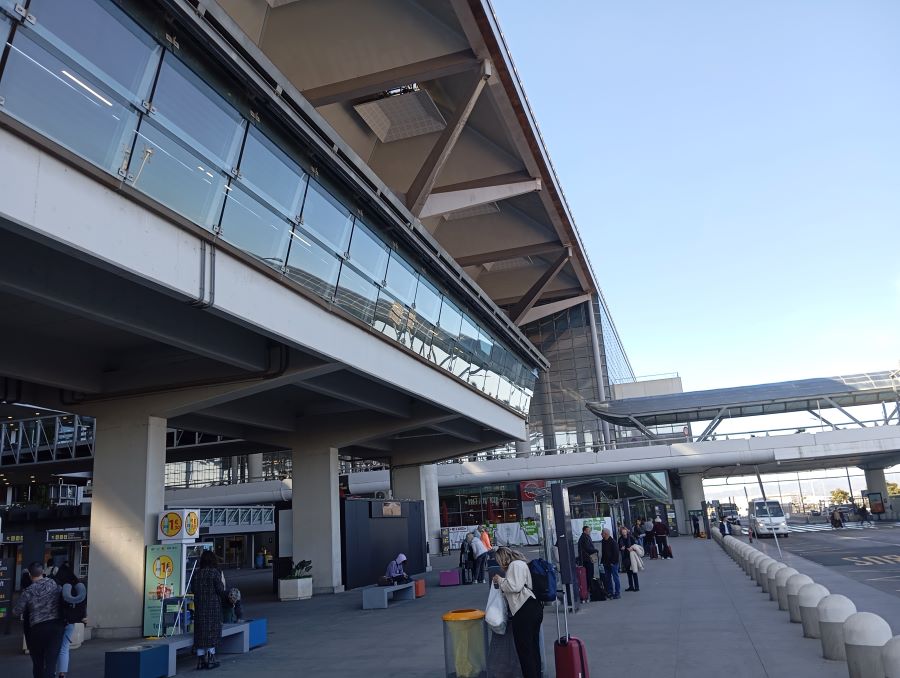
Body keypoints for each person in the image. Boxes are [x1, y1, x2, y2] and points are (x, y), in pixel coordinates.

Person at [491, 547, 543, 678]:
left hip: (524, 610)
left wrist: (500, 580)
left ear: (503, 557)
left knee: (525, 650)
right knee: (533, 647)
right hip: (532, 608)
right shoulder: (520, 564)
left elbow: (515, 586)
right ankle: (536, 674)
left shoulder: (515, 565)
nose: (499, 564)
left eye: (498, 560)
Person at [13, 562, 64, 678]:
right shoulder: (54, 584)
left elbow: (17, 611)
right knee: (51, 664)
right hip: (56, 627)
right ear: (43, 572)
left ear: (30, 575)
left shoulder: (28, 591)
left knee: (38, 664)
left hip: (37, 630)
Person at [191, 550, 230, 670]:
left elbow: (193, 589)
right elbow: (220, 590)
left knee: (201, 633)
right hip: (213, 608)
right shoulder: (215, 573)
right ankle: (211, 658)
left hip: (200, 607)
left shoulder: (197, 574)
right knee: (212, 633)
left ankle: (200, 660)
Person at [54, 564, 87, 678]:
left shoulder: (59, 587)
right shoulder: (79, 588)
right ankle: (62, 673)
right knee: (64, 647)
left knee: (53, 647)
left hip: (58, 622)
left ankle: (51, 671)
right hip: (71, 622)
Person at [599, 528, 620, 599]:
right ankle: (610, 592)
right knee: (608, 578)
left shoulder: (613, 542)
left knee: (615, 577)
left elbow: (616, 553)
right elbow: (604, 552)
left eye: (602, 533)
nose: (601, 534)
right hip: (606, 563)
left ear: (606, 534)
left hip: (613, 563)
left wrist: (613, 562)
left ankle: (617, 593)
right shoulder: (603, 541)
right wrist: (602, 562)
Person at [618, 527, 640, 592]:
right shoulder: (620, 539)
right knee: (628, 572)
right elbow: (618, 547)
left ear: (627, 532)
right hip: (625, 557)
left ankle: (637, 587)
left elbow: (636, 545)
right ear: (621, 533)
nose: (624, 533)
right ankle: (631, 586)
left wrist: (632, 548)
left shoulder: (631, 538)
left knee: (634, 572)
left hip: (632, 556)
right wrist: (621, 548)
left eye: (625, 532)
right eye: (623, 532)